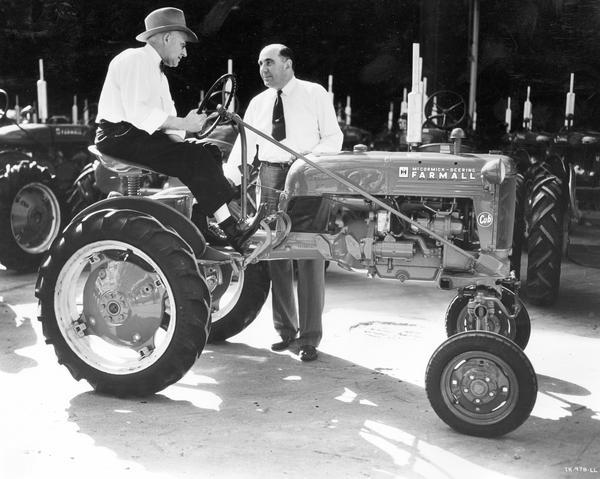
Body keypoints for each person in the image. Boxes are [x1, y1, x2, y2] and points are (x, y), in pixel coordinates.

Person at [94, 7, 258, 253]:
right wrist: (183, 125)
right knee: (196, 156)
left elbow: (167, 123)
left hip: (135, 134)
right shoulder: (134, 59)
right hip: (117, 136)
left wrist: (192, 130)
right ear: (167, 37)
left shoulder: (159, 75)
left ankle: (202, 224)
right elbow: (140, 114)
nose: (185, 53)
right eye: (183, 45)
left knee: (209, 151)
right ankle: (231, 228)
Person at [225, 44, 343, 361]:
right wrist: (229, 177)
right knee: (275, 251)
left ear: (288, 63)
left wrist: (309, 164)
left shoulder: (315, 94)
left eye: (270, 62)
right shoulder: (258, 102)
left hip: (308, 175)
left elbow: (334, 138)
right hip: (270, 176)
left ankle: (309, 338)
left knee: (309, 253)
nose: (264, 69)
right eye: (260, 63)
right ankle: (286, 332)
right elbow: (244, 142)